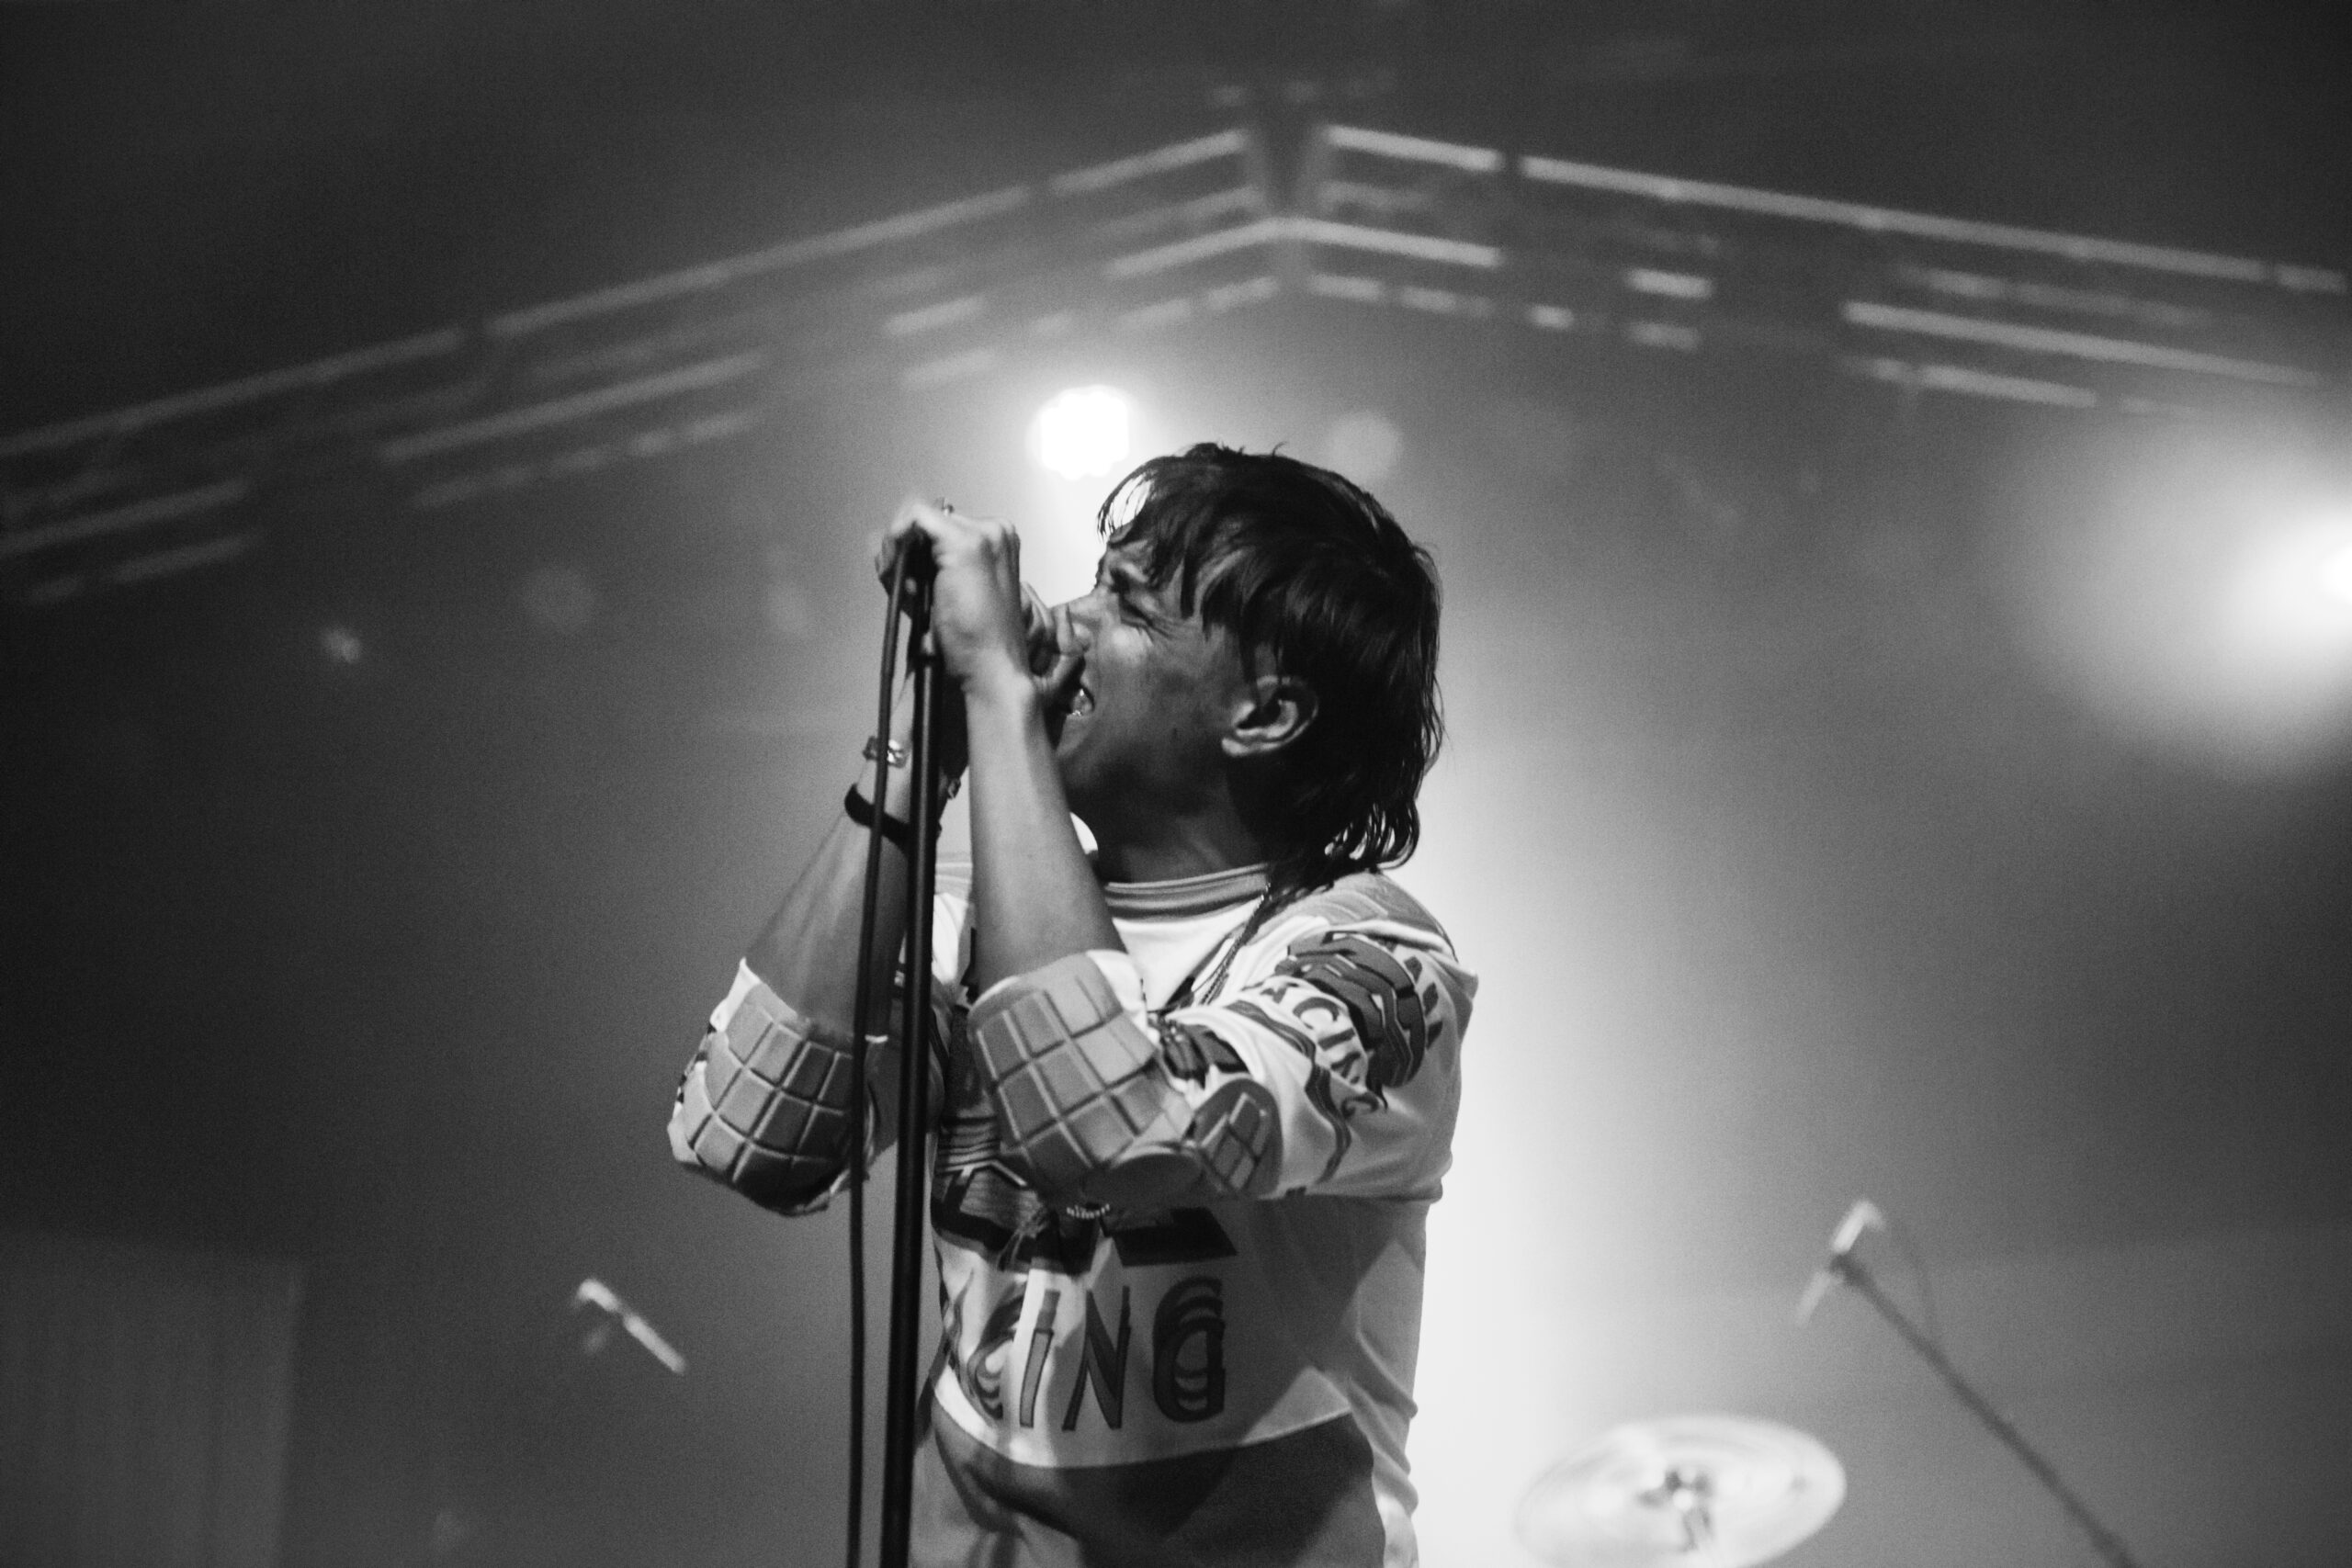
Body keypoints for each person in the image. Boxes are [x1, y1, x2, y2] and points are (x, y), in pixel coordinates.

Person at [668, 445, 1476, 1567]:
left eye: (1129, 608)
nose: (1066, 623)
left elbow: (1115, 1126)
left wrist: (1002, 699)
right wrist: (921, 757)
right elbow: (748, 1133)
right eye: (1094, 582)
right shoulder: (982, 923)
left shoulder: (1372, 963)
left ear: (1264, 712)